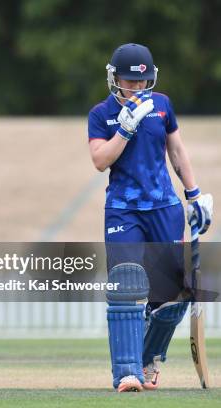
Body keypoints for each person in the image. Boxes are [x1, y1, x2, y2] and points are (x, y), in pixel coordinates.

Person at [87, 43, 213, 392]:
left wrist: (194, 194)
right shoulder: (101, 114)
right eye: (129, 82)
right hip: (124, 210)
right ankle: (126, 373)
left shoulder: (162, 106)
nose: (136, 88)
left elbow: (176, 149)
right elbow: (100, 160)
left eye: (142, 82)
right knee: (126, 285)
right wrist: (124, 131)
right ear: (115, 79)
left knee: (173, 293)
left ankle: (148, 358)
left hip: (164, 208)